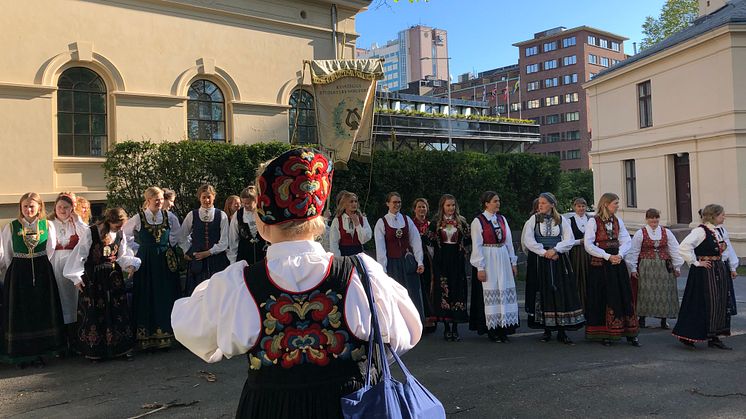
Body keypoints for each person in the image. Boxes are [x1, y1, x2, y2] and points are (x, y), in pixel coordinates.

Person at [172, 148, 422, 419]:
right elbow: (406, 332)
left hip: (269, 408)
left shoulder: (239, 284)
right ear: (320, 219)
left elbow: (188, 327)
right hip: (351, 407)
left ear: (262, 221)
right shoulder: (361, 274)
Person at [65, 208, 141, 360]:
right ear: (109, 221)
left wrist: (130, 264)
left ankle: (119, 348)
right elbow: (80, 255)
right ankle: (95, 350)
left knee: (117, 311)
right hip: (94, 278)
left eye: (121, 225)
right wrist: (76, 278)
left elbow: (122, 255)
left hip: (114, 278)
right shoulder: (92, 232)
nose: (119, 228)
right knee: (95, 311)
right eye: (116, 225)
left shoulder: (120, 234)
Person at [1, 192, 64, 365]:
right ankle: (23, 354)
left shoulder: (47, 225)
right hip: (19, 272)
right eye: (25, 206)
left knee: (42, 309)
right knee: (22, 311)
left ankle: (43, 351)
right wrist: (17, 268)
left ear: (39, 207)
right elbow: (7, 253)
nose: (28, 209)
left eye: (31, 206)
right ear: (21, 208)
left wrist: (40, 263)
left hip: (42, 269)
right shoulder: (11, 227)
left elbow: (50, 248)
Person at [124, 186, 182, 350]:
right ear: (148, 200)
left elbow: (178, 233)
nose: (159, 202)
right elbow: (125, 235)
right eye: (156, 199)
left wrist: (169, 244)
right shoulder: (138, 218)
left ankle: (167, 335)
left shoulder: (169, 216)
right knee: (147, 293)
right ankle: (146, 337)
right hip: (146, 260)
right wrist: (136, 250)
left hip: (164, 259)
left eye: (161, 199)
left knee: (165, 293)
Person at [522, 193, 585, 344]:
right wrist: (545, 253)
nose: (540, 205)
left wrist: (556, 250)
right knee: (544, 292)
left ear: (552, 204)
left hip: (558, 260)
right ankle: (547, 330)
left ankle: (562, 330)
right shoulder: (534, 219)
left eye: (543, 203)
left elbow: (569, 239)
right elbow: (528, 240)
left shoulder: (561, 219)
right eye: (540, 203)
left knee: (560, 291)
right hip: (541, 260)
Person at [673, 204, 738, 349]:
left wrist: (732, 267)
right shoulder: (700, 231)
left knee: (719, 303)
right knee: (701, 303)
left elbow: (728, 249)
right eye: (722, 214)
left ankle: (714, 336)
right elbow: (683, 247)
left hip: (719, 269)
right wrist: (695, 262)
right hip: (704, 272)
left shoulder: (721, 231)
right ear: (713, 216)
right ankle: (689, 336)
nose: (724, 217)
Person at [584, 192, 639, 346]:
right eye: (615, 203)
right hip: (601, 263)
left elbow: (626, 240)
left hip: (616, 261)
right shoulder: (593, 222)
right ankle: (604, 333)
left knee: (623, 294)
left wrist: (620, 255)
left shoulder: (617, 221)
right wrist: (607, 256)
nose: (617, 206)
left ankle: (629, 332)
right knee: (603, 295)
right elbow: (588, 244)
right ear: (606, 204)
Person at [469, 191, 519, 343]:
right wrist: (480, 267)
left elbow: (509, 242)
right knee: (491, 291)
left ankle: (504, 327)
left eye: (498, 200)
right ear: (486, 203)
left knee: (503, 289)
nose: (498, 203)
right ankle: (492, 329)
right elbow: (476, 245)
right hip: (488, 256)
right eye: (494, 201)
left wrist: (513, 262)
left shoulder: (502, 219)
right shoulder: (478, 221)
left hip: (502, 256)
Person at [625, 209, 684, 329]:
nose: (654, 220)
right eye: (651, 218)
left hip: (664, 266)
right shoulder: (640, 233)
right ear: (647, 219)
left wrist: (677, 266)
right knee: (645, 291)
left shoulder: (666, 232)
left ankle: (664, 319)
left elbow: (674, 249)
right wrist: (633, 268)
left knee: (665, 291)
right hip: (646, 267)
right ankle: (642, 318)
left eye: (656, 217)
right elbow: (634, 251)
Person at [374, 192, 426, 321]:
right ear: (388, 203)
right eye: (394, 202)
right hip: (392, 264)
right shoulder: (382, 222)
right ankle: (398, 323)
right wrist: (383, 269)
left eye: (399, 202)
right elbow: (380, 248)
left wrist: (419, 261)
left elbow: (416, 241)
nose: (397, 205)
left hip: (407, 262)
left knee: (412, 293)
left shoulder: (407, 219)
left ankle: (415, 322)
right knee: (395, 294)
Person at [48, 192, 90, 348]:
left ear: (72, 208)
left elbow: (88, 237)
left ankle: (76, 338)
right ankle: (60, 341)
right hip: (54, 265)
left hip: (73, 264)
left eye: (66, 207)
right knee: (58, 299)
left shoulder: (77, 223)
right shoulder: (49, 223)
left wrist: (77, 220)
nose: (62, 210)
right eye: (59, 207)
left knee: (74, 301)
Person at [429, 194, 470, 341]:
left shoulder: (462, 222)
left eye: (453, 205)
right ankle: (446, 327)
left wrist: (464, 252)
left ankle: (455, 327)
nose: (451, 208)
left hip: (457, 260)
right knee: (444, 291)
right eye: (448, 205)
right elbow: (428, 241)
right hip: (442, 260)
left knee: (457, 290)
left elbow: (468, 240)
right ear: (442, 207)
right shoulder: (436, 223)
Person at [179, 184, 230, 296]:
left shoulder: (221, 215)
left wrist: (208, 252)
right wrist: (188, 251)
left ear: (214, 197)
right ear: (199, 198)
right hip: (197, 261)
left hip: (217, 261)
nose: (206, 200)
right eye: (204, 197)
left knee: (217, 293)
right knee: (197, 293)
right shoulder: (192, 215)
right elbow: (182, 236)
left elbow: (224, 241)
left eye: (209, 197)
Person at [412, 198, 436, 332]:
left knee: (430, 286)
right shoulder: (410, 223)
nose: (422, 209)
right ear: (414, 209)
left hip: (429, 259)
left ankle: (431, 317)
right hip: (416, 259)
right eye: (419, 207)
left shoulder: (431, 224)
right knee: (418, 288)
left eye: (424, 207)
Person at [227, 186, 267, 265]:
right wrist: (233, 261)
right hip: (244, 256)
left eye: (248, 203)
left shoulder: (264, 213)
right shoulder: (238, 215)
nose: (245, 205)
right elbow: (233, 239)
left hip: (263, 255)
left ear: (255, 201)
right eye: (243, 203)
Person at [329, 191, 372, 257]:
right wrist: (339, 260)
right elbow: (333, 243)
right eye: (351, 201)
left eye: (355, 201)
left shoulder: (362, 219)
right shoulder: (337, 221)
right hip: (343, 256)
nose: (354, 204)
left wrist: (357, 223)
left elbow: (363, 239)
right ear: (345, 204)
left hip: (358, 256)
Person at [568, 197, 591, 308]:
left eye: (583, 206)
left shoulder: (591, 220)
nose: (581, 208)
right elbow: (567, 241)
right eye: (579, 206)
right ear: (574, 207)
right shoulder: (570, 221)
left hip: (590, 252)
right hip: (576, 253)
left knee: (589, 277)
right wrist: (579, 241)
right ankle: (578, 305)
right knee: (578, 277)